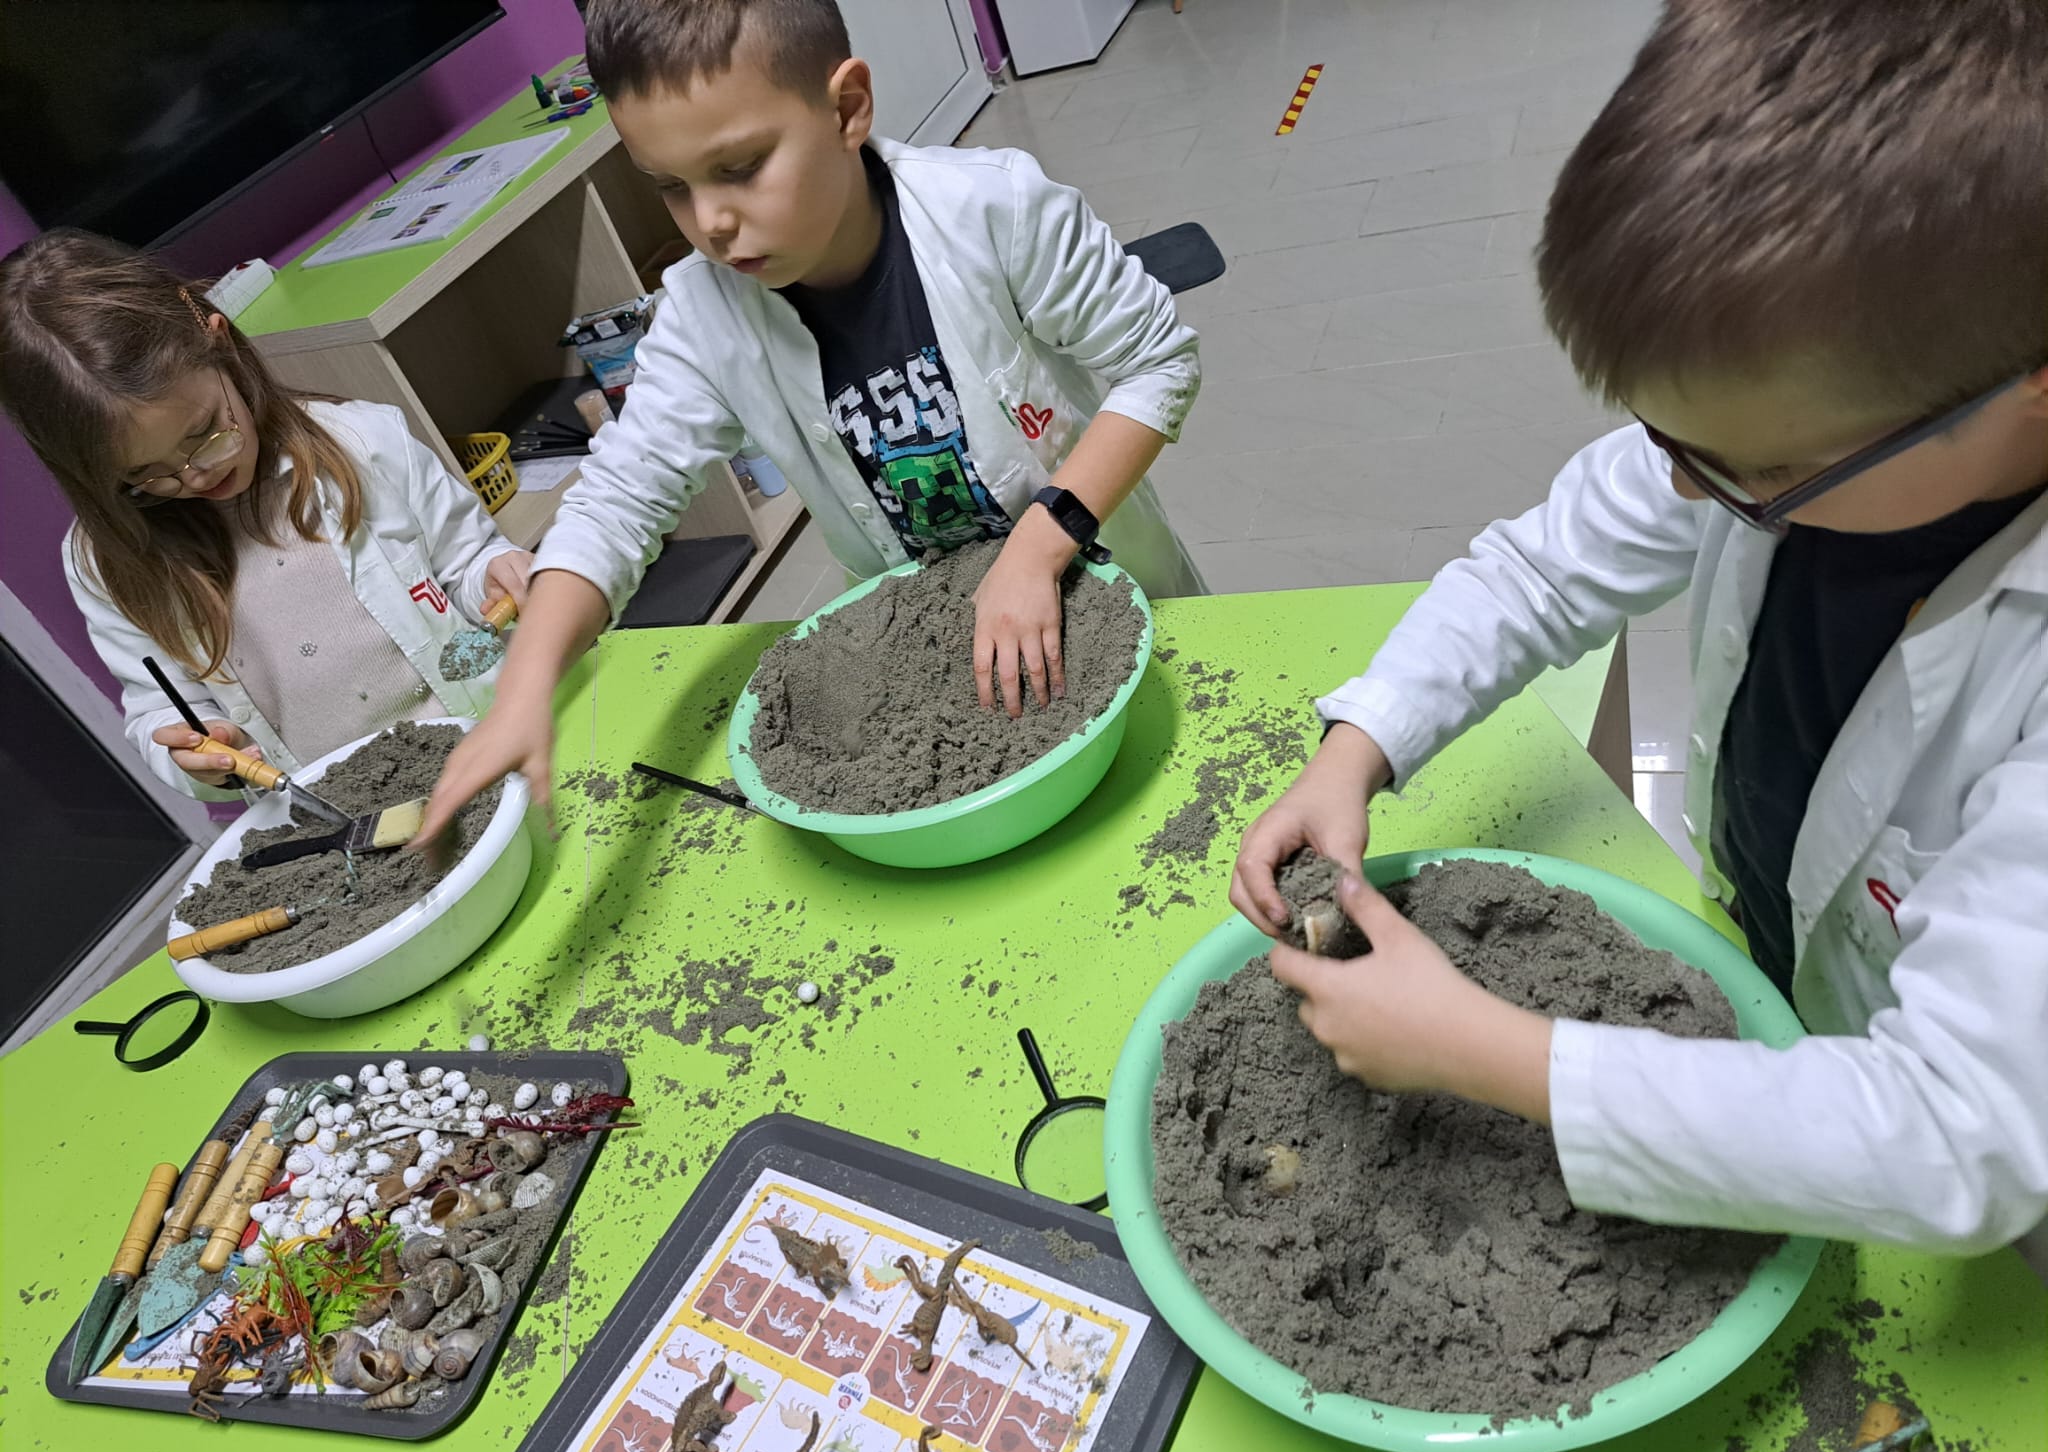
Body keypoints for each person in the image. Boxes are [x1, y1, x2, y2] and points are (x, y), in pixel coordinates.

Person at [1232, 0, 2048, 1267]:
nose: (1677, 485)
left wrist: (1489, 1054)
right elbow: (1542, 565)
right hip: (1777, 950)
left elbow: (1957, 1129)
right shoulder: (1803, 419)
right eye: (1667, 438)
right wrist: (1359, 746)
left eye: (1748, 471)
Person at [419, 0, 1205, 841]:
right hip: (939, 650)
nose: (711, 224)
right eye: (671, 187)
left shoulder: (994, 208)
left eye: (740, 168)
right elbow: (617, 502)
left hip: (1114, 588)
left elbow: (1159, 363)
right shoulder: (701, 318)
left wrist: (1040, 546)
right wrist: (526, 686)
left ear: (845, 109)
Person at [0, 230, 532, 800]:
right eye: (143, 473)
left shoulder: (365, 440)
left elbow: (467, 563)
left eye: (205, 433)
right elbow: (159, 707)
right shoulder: (105, 562)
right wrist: (192, 752)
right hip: (337, 811)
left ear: (220, 345)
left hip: (486, 747)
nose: (194, 476)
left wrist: (496, 572)